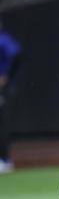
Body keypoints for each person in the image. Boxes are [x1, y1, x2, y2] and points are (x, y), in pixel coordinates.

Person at [0, 22, 19, 172]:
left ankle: (4, 159)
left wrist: (5, 73)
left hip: (3, 88)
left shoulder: (3, 39)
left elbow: (15, 53)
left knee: (2, 122)